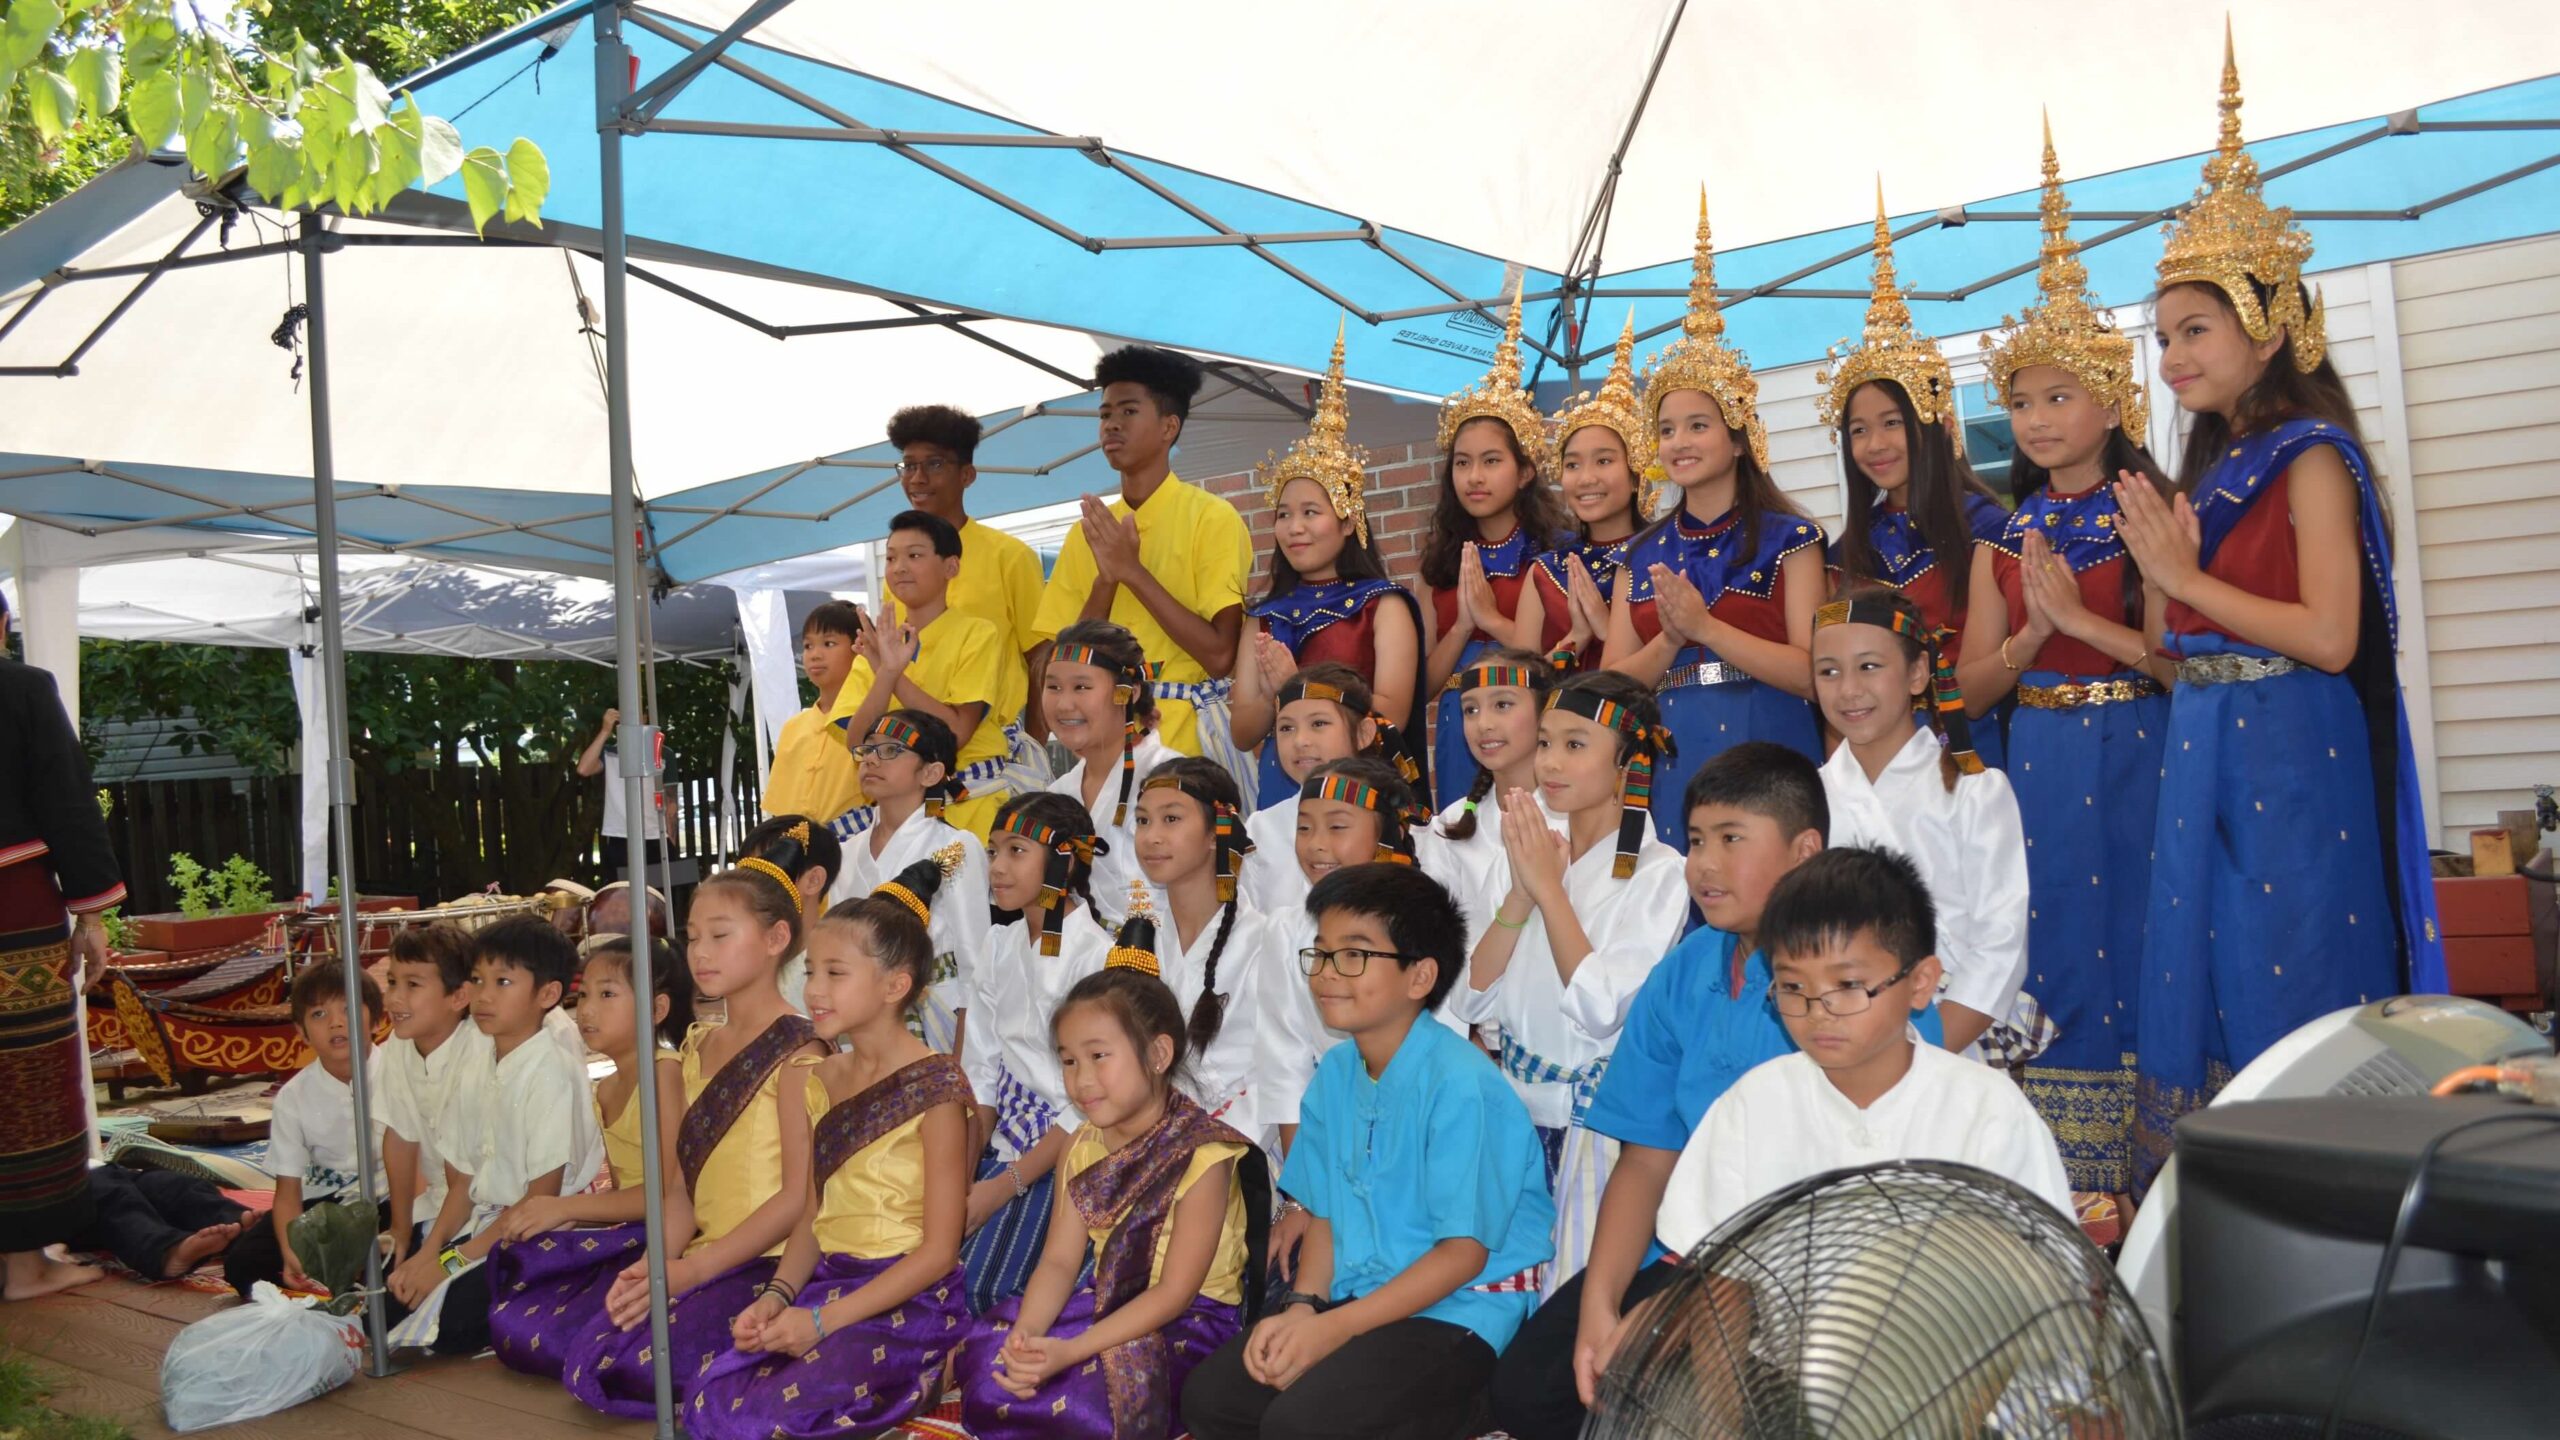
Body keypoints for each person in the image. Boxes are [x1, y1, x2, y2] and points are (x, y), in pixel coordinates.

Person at [2121, 33, 2441, 1194]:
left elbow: (2327, 636)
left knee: (2285, 967)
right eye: (2162, 337)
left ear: (2269, 326)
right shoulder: (2213, 471)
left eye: (2193, 330)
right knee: (2204, 970)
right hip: (2204, 742)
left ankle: (2325, 1199)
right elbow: (2176, 648)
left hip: (2293, 756)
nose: (2170, 357)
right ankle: (2222, 1202)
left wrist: (2184, 576)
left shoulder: (2310, 455)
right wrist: (2158, 589)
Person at [1491, 745, 1825, 1440]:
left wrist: (1667, 1315)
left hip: (1803, 1261)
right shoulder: (1687, 969)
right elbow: (1646, 1159)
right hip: (1680, 1248)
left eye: (1732, 839)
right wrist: (1602, 1305)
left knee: (1682, 1396)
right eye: (1697, 840)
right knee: (1531, 1390)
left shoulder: (1844, 982)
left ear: (1804, 852)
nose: (1704, 865)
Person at [1966, 118, 2177, 1198]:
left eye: (2060, 397)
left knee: (2141, 931)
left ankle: (2154, 1170)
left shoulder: (2154, 509)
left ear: (2112, 400)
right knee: (2045, 936)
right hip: (2038, 757)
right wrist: (2031, 637)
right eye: (2021, 401)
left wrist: (2082, 628)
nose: (2038, 419)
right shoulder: (2002, 535)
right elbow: (1968, 685)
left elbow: (2182, 664)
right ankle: (2057, 1175)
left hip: (2141, 744)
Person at [1182, 865, 1554, 1440]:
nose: (1327, 973)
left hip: (1459, 1309)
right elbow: (1326, 1213)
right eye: (1321, 953)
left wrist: (1333, 1331)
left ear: (1420, 976)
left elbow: (1462, 1256)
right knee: (1212, 1400)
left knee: (1299, 1425)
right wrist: (1303, 1307)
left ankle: (1474, 1413)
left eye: (1354, 955)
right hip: (1363, 1296)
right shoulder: (1336, 1072)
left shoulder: (1463, 1086)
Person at [1654, 847, 2073, 1261]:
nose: (1819, 1011)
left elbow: (2044, 1271)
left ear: (1921, 983)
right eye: (1793, 987)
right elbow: (1714, 1271)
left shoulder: (1988, 1110)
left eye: (1848, 986)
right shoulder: (1752, 1105)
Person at [686, 860, 976, 1439]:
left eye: (835, 973)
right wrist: (777, 1296)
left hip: (908, 1297)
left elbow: (939, 1252)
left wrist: (821, 1322)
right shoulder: (821, 1078)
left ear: (895, 985)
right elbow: (814, 1216)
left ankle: (939, 1364)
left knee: (769, 1420)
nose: (814, 990)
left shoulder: (937, 1088)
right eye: (812, 971)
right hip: (829, 1280)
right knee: (708, 1397)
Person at [952, 933, 1266, 1440]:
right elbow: (1059, 1262)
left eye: (1099, 1056)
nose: (1082, 1080)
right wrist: (1030, 1335)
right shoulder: (1080, 1144)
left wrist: (1071, 1351)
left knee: (1087, 1410)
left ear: (1158, 1054)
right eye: (1069, 1061)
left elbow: (1175, 1293)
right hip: (1103, 1300)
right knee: (992, 1362)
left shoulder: (1204, 1155)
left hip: (1186, 1323)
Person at [1448, 670, 1688, 1293]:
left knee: (1571, 1303)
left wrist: (1547, 890)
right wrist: (1522, 894)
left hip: (1596, 1129)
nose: (1550, 762)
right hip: (1514, 1115)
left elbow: (1600, 1007)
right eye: (1546, 742)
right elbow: (1469, 997)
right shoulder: (1529, 851)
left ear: (1629, 764)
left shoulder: (1661, 873)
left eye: (1575, 745)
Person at [563, 861, 824, 1416]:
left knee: (636, 1366)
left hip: (770, 1262)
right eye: (693, 937)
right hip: (701, 1252)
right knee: (593, 1349)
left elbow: (797, 1197)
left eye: (720, 936)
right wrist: (656, 1265)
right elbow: (682, 1187)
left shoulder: (802, 1051)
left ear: (777, 938)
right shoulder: (698, 1046)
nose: (700, 953)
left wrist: (696, 1271)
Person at [1608, 196, 1824, 838]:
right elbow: (1613, 683)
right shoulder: (1639, 554)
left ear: (1737, 440)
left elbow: (1814, 673)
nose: (1679, 442)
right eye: (1666, 429)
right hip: (1671, 750)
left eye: (1698, 425)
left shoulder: (1793, 541)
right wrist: (1671, 640)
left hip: (1771, 744)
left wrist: (1706, 627)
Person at [1825, 197, 2014, 771]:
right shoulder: (1846, 552)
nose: (1874, 445)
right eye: (1859, 430)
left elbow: (1988, 672)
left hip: (1975, 750)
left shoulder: (1990, 531)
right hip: (1874, 759)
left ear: (1934, 424)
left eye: (1892, 424)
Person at [1812, 589, 2028, 1058]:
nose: (1848, 689)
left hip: (1951, 1038)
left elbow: (2000, 944)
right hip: (1834, 1038)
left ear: (1917, 673)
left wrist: (1917, 1055)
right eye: (1828, 671)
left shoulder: (1974, 790)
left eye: (1869, 666)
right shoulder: (1808, 798)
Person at [385, 918, 604, 1355]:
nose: (483, 996)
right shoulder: (479, 1060)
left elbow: (538, 1201)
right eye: (477, 979)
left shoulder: (551, 1071)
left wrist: (450, 1262)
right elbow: (464, 1180)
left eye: (502, 982)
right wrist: (429, 1253)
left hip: (539, 1229)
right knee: (391, 1298)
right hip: (486, 1225)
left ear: (547, 995)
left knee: (453, 1323)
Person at [1033, 345, 1254, 773]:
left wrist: (1132, 572)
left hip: (1186, 744)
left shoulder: (1212, 517)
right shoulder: (1086, 533)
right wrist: (1106, 580)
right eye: (1104, 414)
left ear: (1169, 426)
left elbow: (1220, 657)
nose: (1111, 424)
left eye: (1129, 411)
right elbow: (1059, 663)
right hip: (1102, 743)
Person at [1232, 327, 1427, 806]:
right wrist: (1276, 694)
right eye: (1283, 515)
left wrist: (1296, 685)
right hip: (1281, 787)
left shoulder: (1382, 605)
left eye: (1310, 512)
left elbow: (1391, 716)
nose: (1294, 527)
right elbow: (1242, 731)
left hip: (1357, 789)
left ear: (1347, 522)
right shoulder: (1265, 615)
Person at [486, 935, 691, 1381]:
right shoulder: (609, 1086)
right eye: (583, 996)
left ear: (657, 1009)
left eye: (607, 994)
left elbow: (662, 1192)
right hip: (630, 1232)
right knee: (512, 1304)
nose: (587, 1011)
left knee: (545, 1332)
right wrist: (568, 1216)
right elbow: (621, 1190)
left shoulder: (665, 1073)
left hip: (671, 1236)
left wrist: (566, 1208)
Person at [0, 585, 121, 1301]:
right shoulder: (21, 689)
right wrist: (92, 913)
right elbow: (67, 802)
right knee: (26, 1085)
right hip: (11, 914)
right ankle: (24, 1267)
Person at [960, 793, 1118, 1312]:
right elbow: (980, 1073)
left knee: (989, 1289)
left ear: (1063, 861)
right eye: (993, 851)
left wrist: (1003, 1185)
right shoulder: (999, 945)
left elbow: (1091, 1101)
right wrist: (966, 1172)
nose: (997, 867)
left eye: (1016, 851)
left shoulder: (1100, 957)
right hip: (1000, 1142)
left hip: (1073, 1150)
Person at [1422, 283, 1570, 809]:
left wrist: (1491, 618)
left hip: (1536, 727)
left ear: (1525, 471)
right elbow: (1425, 684)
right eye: (1462, 463)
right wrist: (1463, 625)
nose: (1474, 477)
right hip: (1462, 728)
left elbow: (1566, 660)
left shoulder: (1557, 554)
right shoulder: (1438, 564)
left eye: (1491, 461)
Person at [831, 510, 1023, 838]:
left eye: (915, 555)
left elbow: (957, 733)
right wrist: (886, 672)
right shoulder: (877, 645)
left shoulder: (977, 633)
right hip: (896, 817)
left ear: (951, 567)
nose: (899, 567)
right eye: (891, 558)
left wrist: (892, 673)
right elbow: (858, 743)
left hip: (970, 809)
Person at [884, 403, 1053, 765]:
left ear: (967, 475)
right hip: (913, 755)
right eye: (908, 465)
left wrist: (1034, 752)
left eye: (934, 464)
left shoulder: (1009, 556)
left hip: (994, 753)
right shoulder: (898, 570)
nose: (917, 479)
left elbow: (1041, 660)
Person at [1131, 760, 1285, 1142]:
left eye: (1171, 819)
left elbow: (1277, 1075)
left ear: (1217, 832)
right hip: (1145, 1137)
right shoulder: (1138, 937)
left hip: (1231, 1148)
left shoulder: (1266, 942)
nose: (1151, 836)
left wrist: (1199, 1148)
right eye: (1143, 820)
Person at [827, 714, 990, 1054]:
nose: (871, 760)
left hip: (938, 1021)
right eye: (868, 749)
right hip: (861, 1020)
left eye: (891, 750)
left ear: (931, 773)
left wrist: (962, 1063)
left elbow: (975, 965)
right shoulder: (846, 851)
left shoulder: (956, 846)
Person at [224, 961, 386, 1299]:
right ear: (301, 1031)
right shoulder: (294, 1096)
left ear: (376, 1019)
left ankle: (354, 1282)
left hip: (389, 1198)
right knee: (243, 1263)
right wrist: (291, 1251)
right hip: (326, 1204)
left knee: (391, 1262)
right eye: (319, 1014)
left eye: (348, 1009)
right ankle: (334, 1285)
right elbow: (288, 1191)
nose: (336, 1023)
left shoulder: (399, 1074)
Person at [1522, 314, 1652, 667]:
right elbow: (1521, 685)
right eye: (1573, 465)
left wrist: (1609, 632)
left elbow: (1678, 669)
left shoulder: (1665, 559)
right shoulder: (1547, 571)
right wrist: (1577, 637)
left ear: (1636, 474)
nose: (1586, 478)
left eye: (1604, 461)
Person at [1044, 620, 1183, 913]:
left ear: (1128, 693)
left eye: (1081, 687)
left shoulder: (1174, 779)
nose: (1064, 704)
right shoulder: (1057, 793)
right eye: (1053, 687)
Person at [1237, 663, 1383, 923]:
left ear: (1363, 733)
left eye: (1318, 723)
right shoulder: (1261, 828)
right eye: (1286, 728)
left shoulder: (1397, 820)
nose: (1300, 741)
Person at [1431, 647, 1560, 880]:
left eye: (1502, 705)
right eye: (1470, 710)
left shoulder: (1577, 818)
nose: (1483, 724)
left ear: (1545, 712)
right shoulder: (1451, 822)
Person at [762, 601, 869, 827]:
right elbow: (779, 809)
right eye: (808, 646)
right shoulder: (793, 728)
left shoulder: (873, 719)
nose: (814, 655)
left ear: (860, 647)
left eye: (829, 643)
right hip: (797, 843)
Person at [576, 707, 666, 881]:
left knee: (660, 890)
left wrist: (670, 835)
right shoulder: (610, 752)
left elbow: (670, 799)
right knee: (622, 892)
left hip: (656, 834)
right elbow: (583, 769)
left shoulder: (660, 751)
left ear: (645, 717)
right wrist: (605, 731)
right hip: (620, 835)